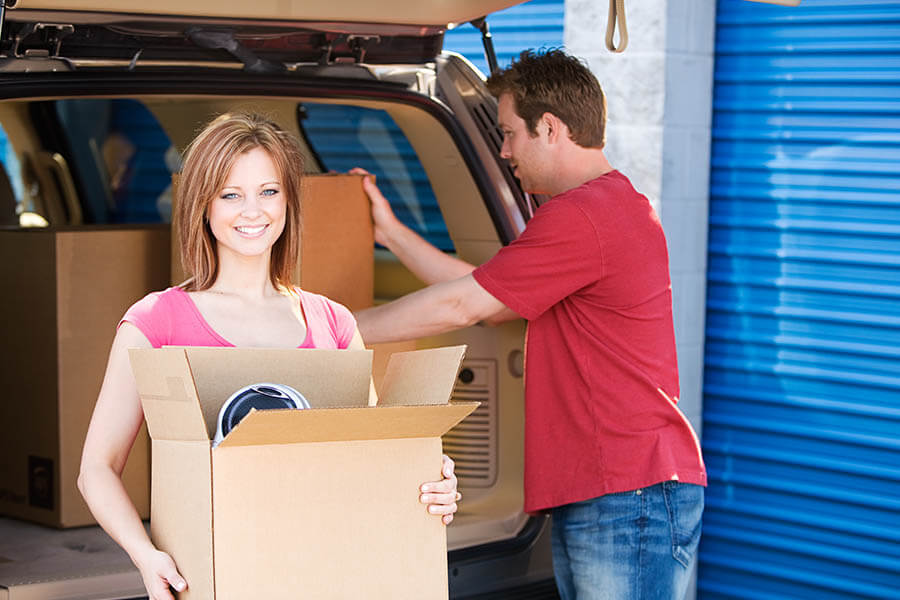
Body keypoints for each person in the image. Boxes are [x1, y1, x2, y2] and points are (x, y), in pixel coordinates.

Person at [353, 49, 707, 600]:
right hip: (618, 488)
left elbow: (462, 307)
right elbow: (489, 293)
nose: (503, 150)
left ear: (550, 127)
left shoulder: (583, 215)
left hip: (624, 494)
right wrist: (393, 234)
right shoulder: (605, 208)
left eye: (510, 133)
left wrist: (330, 327)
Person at [78, 113, 460, 600]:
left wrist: (431, 478)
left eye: (269, 191)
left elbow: (371, 456)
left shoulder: (333, 323)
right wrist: (146, 556)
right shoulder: (158, 320)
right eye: (230, 194)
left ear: (288, 201)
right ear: (203, 206)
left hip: (326, 569)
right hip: (213, 576)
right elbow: (97, 468)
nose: (252, 211)